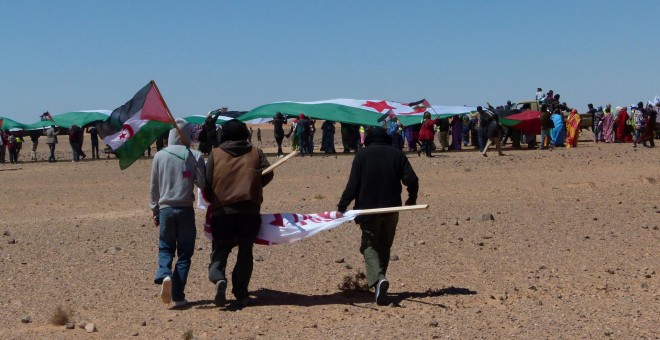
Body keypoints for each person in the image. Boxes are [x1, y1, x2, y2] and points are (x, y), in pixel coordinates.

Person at [335, 127, 419, 305]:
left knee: (369, 246)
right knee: (384, 246)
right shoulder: (397, 154)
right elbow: (411, 179)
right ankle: (380, 284)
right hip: (391, 209)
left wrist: (342, 206)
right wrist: (411, 198)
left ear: (368, 139)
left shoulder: (362, 155)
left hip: (368, 210)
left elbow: (353, 184)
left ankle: (379, 279)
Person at [204, 119, 273, 308]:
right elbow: (268, 173)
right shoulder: (256, 152)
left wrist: (214, 197)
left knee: (221, 248)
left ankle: (218, 276)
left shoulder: (215, 154)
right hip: (249, 210)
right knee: (245, 251)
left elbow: (207, 181)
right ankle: (241, 293)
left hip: (222, 210)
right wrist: (254, 185)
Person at [149, 118, 206, 308]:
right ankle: (178, 295)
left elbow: (154, 187)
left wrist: (154, 209)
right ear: (187, 134)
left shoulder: (159, 155)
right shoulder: (194, 155)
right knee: (184, 252)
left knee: (165, 246)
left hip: (165, 208)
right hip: (185, 209)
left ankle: (164, 273)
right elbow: (202, 184)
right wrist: (198, 165)